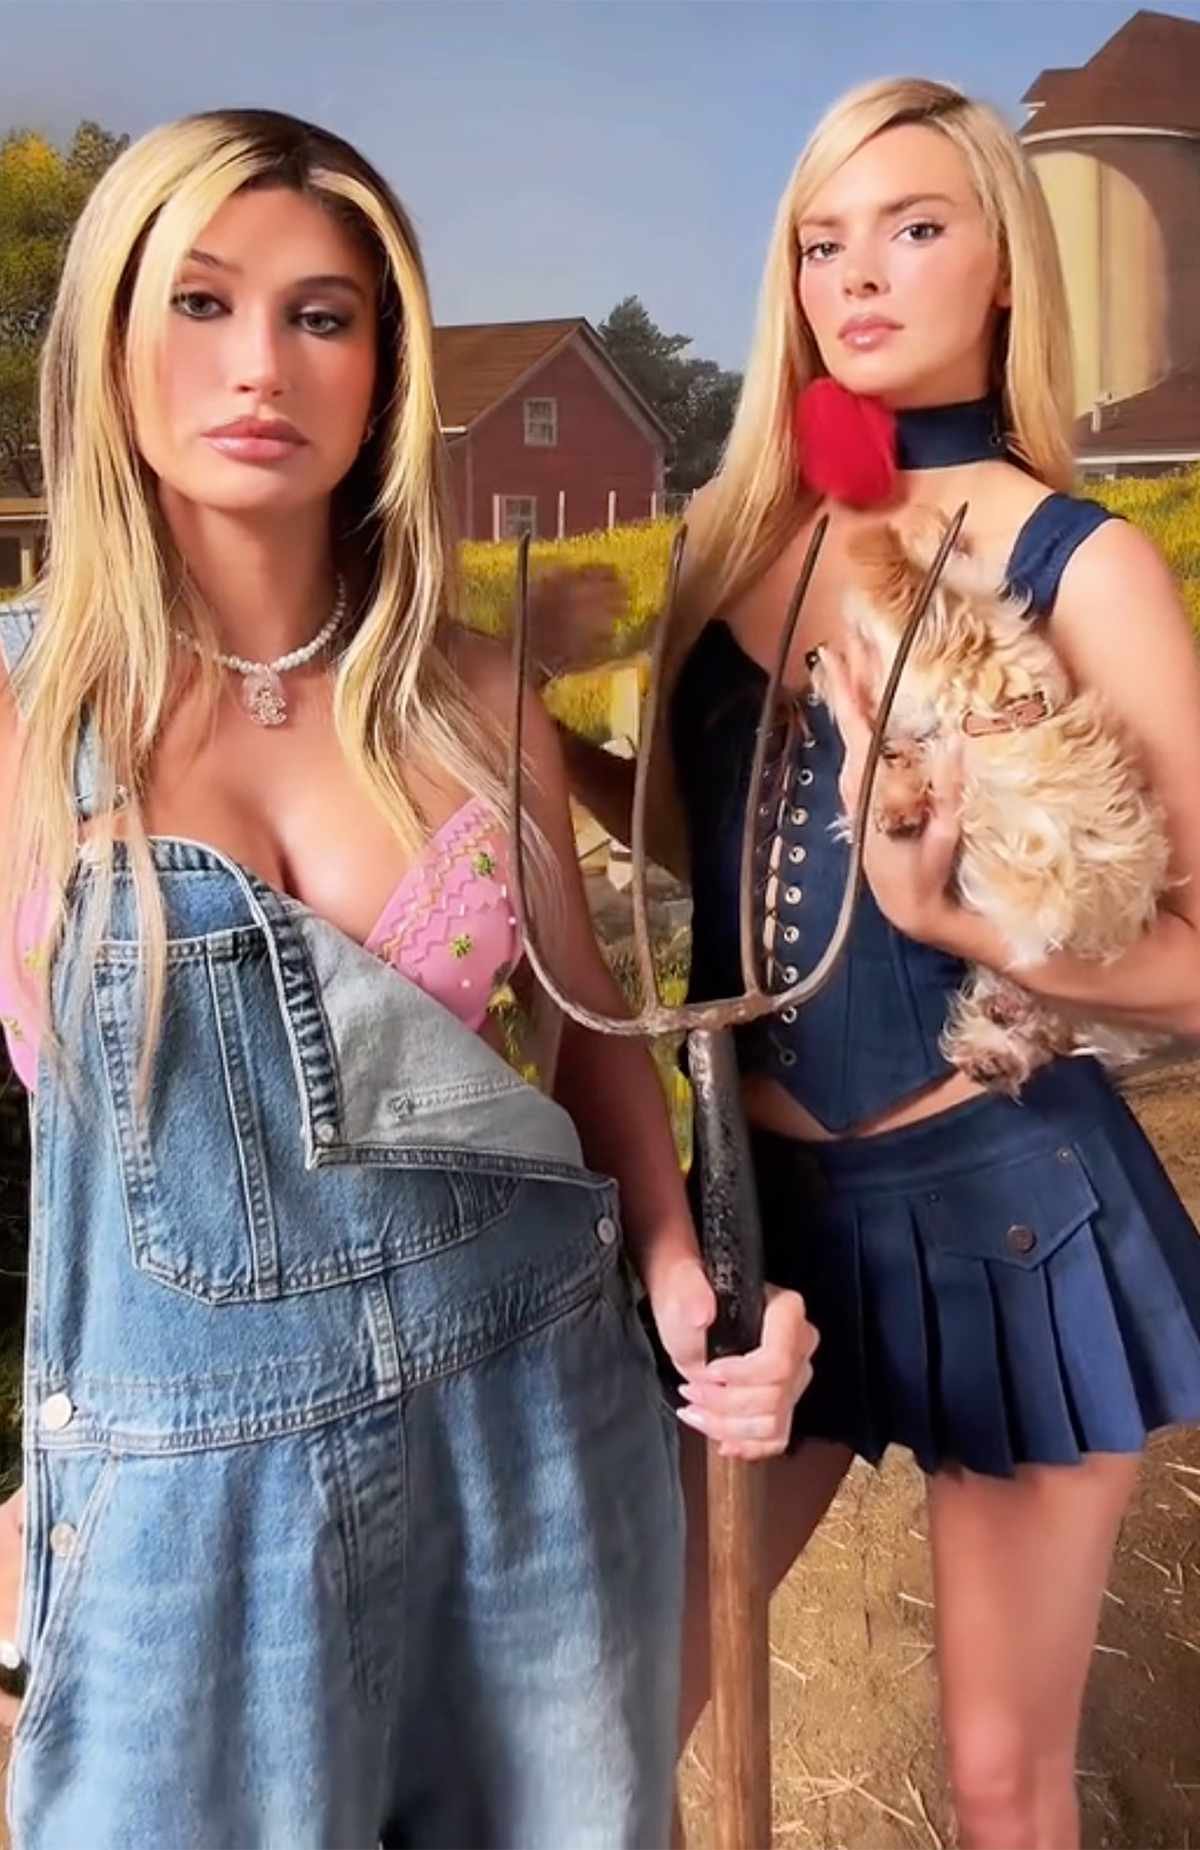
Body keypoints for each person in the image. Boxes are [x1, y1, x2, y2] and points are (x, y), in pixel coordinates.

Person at [0, 108, 816, 1849]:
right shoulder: (23, 726)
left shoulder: (473, 698)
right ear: (112, 339)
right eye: (201, 301)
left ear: (383, 369)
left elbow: (590, 1041)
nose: (261, 365)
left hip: (533, 1436)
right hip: (185, 1513)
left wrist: (684, 1274)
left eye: (322, 315)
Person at [543, 77, 1200, 1850]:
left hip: (1006, 1209)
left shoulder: (1079, 563)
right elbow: (705, 849)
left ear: (1007, 266)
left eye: (915, 228)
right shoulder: (733, 538)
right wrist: (523, 731)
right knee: (616, 1729)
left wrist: (959, 923)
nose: (858, 275)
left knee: (999, 1778)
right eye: (821, 242)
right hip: (759, 1215)